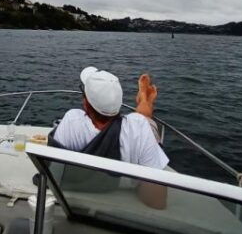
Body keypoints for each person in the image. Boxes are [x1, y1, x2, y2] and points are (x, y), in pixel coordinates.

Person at [51, 67, 168, 208]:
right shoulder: (137, 127)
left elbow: (54, 174)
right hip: (121, 208)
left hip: (72, 206)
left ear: (86, 104)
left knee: (141, 119)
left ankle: (144, 101)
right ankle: (144, 101)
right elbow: (156, 201)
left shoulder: (72, 121)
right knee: (144, 120)